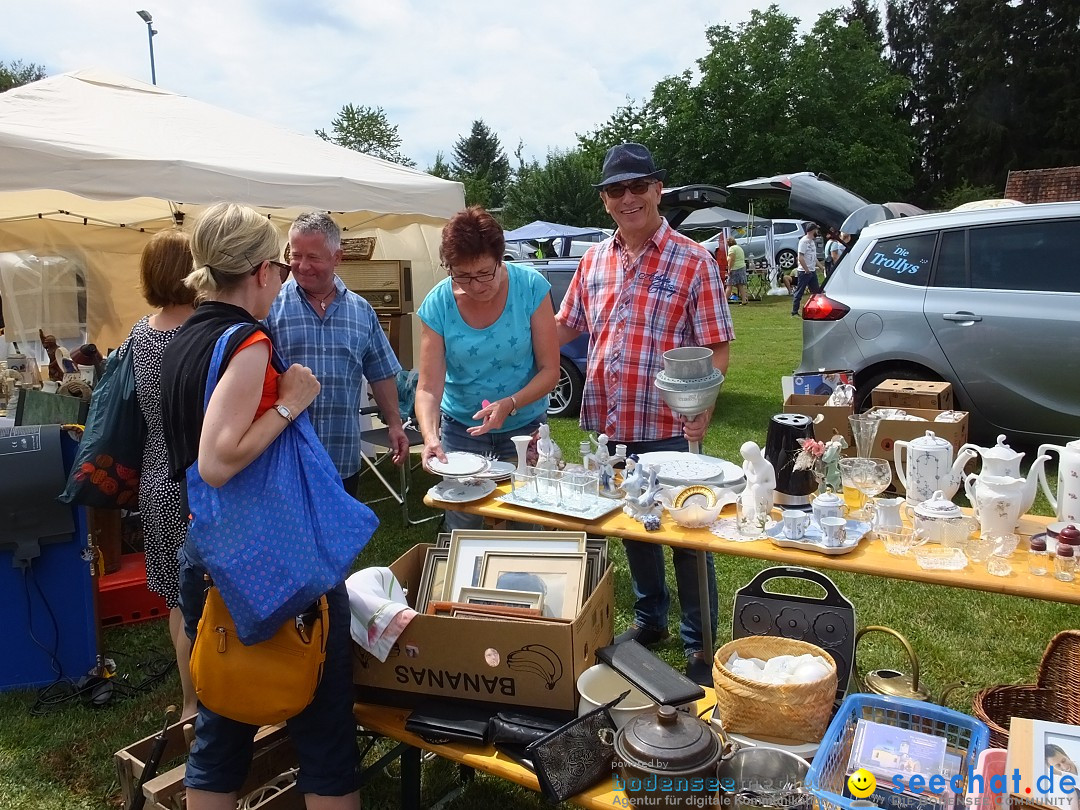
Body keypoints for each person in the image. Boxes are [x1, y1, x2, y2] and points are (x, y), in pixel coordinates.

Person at [160, 203, 360, 809]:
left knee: (222, 722)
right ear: (260, 271)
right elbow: (219, 460)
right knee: (324, 729)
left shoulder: (183, 336)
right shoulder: (247, 341)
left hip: (209, 549)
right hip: (271, 555)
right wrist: (291, 400)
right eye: (277, 264)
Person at [555, 143, 734, 685]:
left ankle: (700, 644)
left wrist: (703, 404)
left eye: (638, 187)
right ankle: (651, 619)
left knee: (685, 534)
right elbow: (567, 326)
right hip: (609, 424)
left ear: (658, 190)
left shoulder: (693, 259)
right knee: (634, 526)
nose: (627, 198)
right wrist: (515, 336)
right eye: (616, 190)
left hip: (666, 426)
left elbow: (716, 345)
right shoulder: (593, 259)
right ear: (605, 200)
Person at [415, 206, 560, 530]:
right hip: (461, 431)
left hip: (524, 427)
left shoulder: (530, 289)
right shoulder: (438, 304)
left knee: (526, 518)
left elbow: (550, 370)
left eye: (484, 273)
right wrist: (429, 437)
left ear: (500, 258)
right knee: (463, 523)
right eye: (462, 276)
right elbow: (427, 388)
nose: (476, 286)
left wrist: (509, 404)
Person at [266, 212, 407, 498]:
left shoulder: (361, 311)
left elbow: (380, 373)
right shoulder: (270, 307)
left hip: (341, 458)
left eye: (313, 257)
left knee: (340, 542)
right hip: (285, 458)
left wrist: (394, 424)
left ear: (337, 257)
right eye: (296, 255)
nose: (302, 266)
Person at [126, 230, 198, 717]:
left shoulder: (139, 332)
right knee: (204, 598)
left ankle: (191, 701)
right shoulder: (202, 332)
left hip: (156, 473)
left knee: (177, 596)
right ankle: (212, 700)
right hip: (197, 473)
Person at [792, 222, 822, 316]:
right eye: (816, 230)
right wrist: (806, 269)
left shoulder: (812, 242)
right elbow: (800, 257)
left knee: (816, 292)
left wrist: (821, 267)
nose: (817, 232)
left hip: (812, 271)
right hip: (804, 272)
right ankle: (794, 312)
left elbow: (814, 257)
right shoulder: (803, 241)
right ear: (812, 230)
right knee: (800, 291)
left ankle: (816, 310)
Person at [726, 237, 749, 305]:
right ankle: (744, 300)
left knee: (729, 285)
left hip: (735, 268)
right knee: (740, 285)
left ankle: (724, 301)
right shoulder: (739, 248)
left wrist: (729, 269)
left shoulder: (732, 249)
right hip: (742, 267)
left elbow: (731, 259)